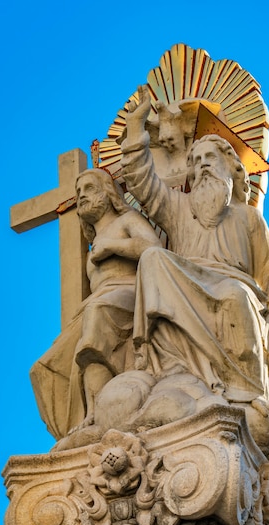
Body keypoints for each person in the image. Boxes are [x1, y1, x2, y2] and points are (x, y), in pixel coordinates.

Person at [120, 85, 269, 409]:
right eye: (196, 161)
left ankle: (245, 389)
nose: (202, 165)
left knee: (235, 296)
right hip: (188, 283)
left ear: (231, 167)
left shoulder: (249, 218)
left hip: (234, 286)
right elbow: (142, 182)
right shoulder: (178, 207)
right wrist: (135, 129)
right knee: (153, 258)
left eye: (210, 157)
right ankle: (172, 370)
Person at [31, 168, 161, 437]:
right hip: (96, 302)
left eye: (89, 188)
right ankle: (72, 426)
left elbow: (153, 249)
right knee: (44, 368)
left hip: (129, 294)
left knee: (96, 312)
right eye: (79, 192)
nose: (82, 196)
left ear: (109, 193)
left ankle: (97, 414)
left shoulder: (127, 220)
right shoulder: (91, 246)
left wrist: (114, 246)